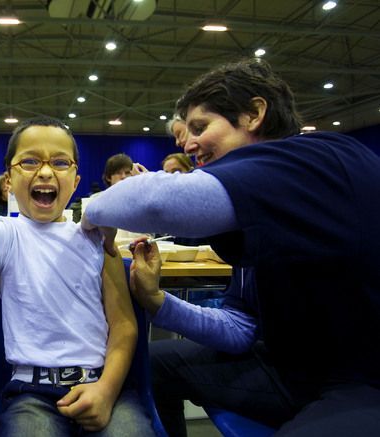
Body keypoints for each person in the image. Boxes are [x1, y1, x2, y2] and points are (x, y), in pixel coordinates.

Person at [82, 58, 380, 436]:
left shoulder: (324, 158)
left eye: (200, 127)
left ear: (255, 113)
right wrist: (157, 301)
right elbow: (240, 328)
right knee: (147, 365)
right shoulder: (256, 212)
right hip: (290, 372)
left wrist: (93, 213)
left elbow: (152, 202)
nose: (189, 145)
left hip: (365, 383)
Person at [0, 116, 154, 436]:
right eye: (30, 161)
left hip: (103, 384)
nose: (46, 172)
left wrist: (105, 390)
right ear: (9, 177)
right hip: (31, 395)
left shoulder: (98, 237)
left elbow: (124, 325)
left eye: (61, 162)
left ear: (75, 180)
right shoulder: (5, 234)